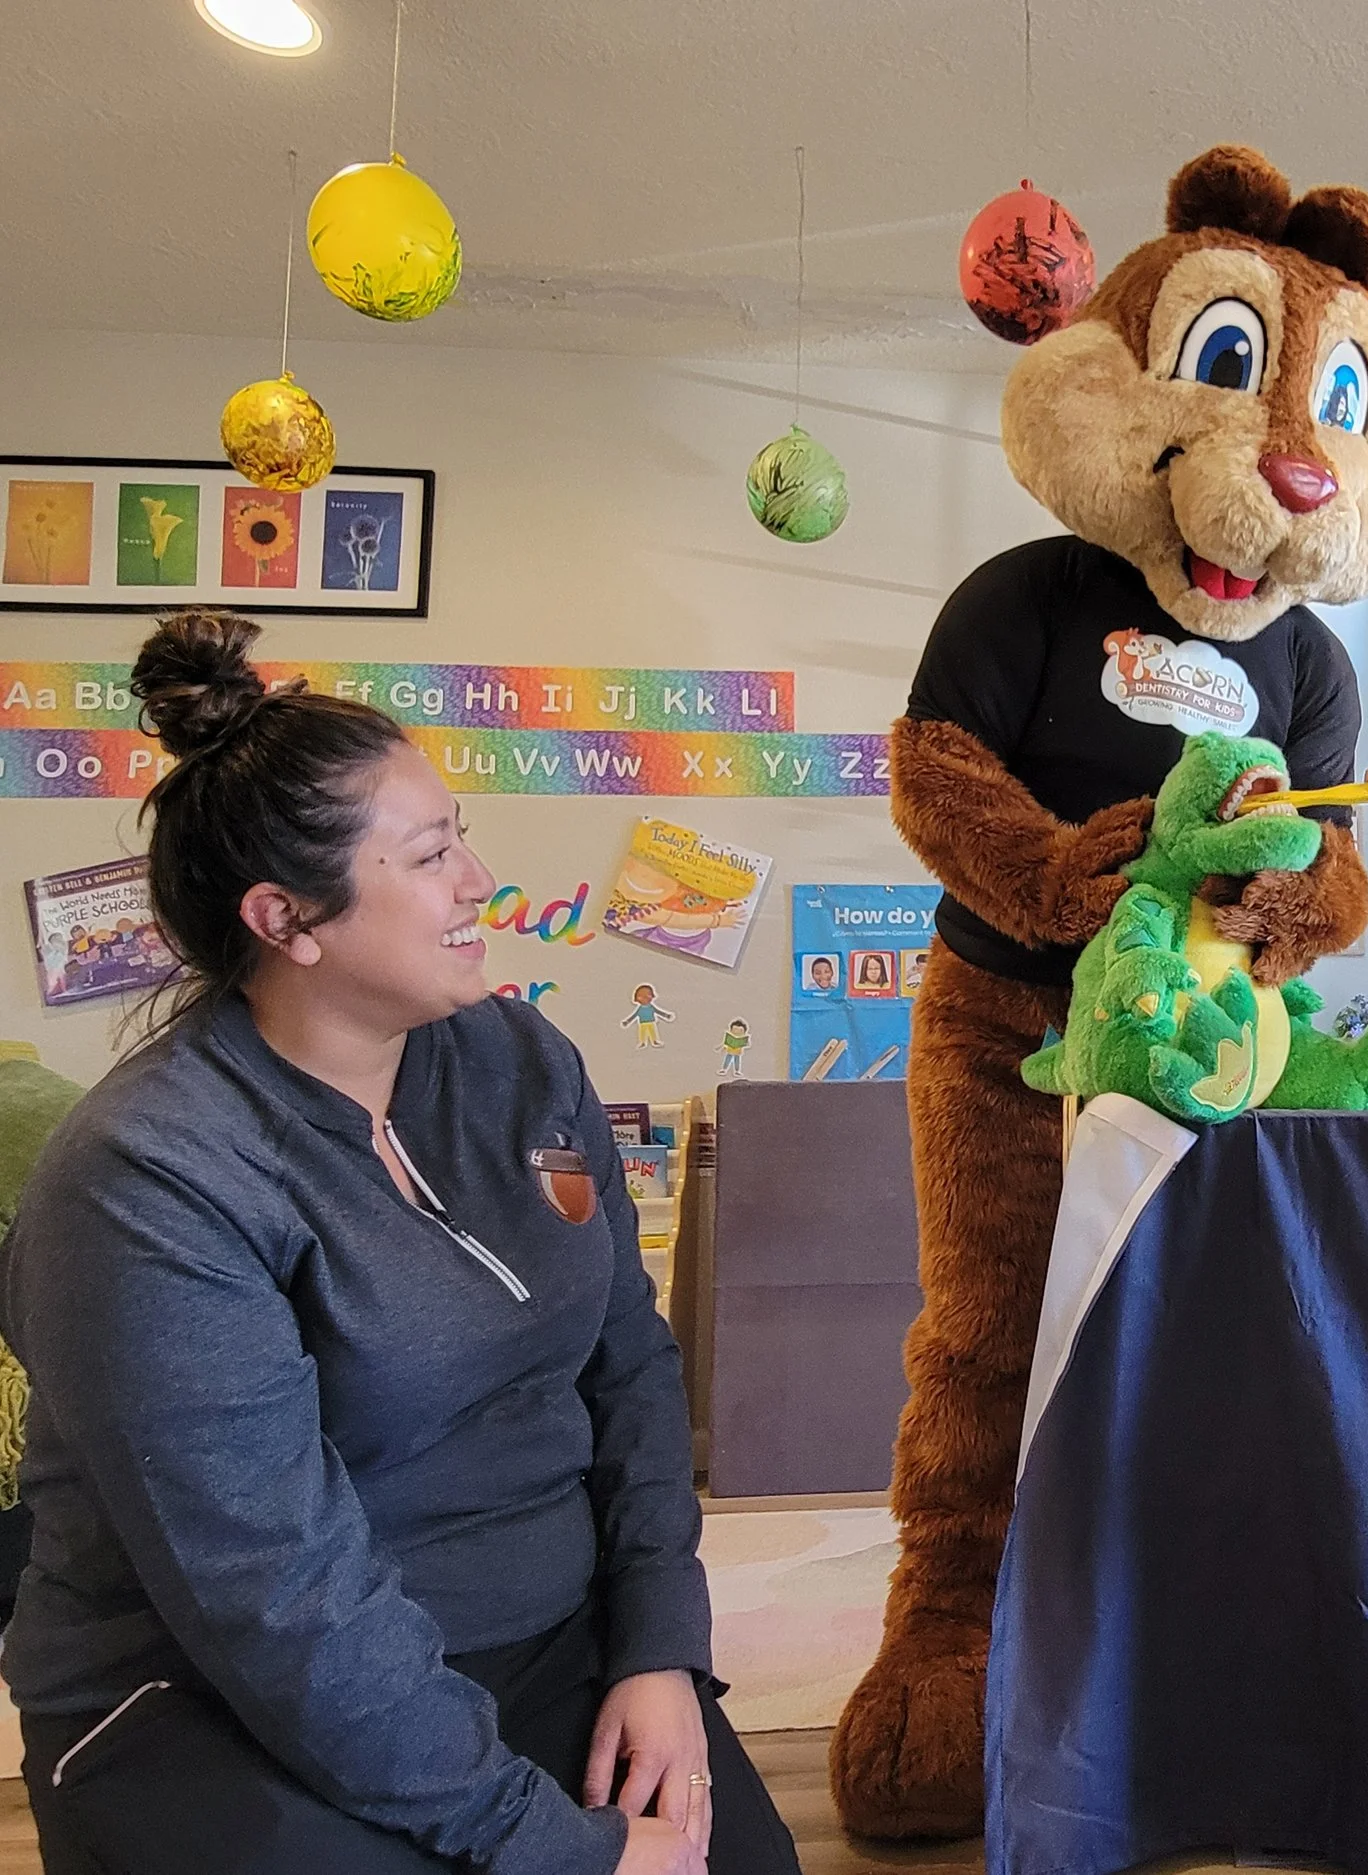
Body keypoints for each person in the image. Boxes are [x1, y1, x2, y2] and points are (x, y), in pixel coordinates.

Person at [0, 611, 798, 1875]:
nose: (478, 880)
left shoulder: (520, 1061)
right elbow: (274, 1596)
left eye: (459, 836)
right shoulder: (147, 1182)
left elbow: (628, 1361)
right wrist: (559, 1848)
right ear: (288, 918)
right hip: (216, 1700)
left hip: (543, 1635)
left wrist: (658, 1643)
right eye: (431, 855)